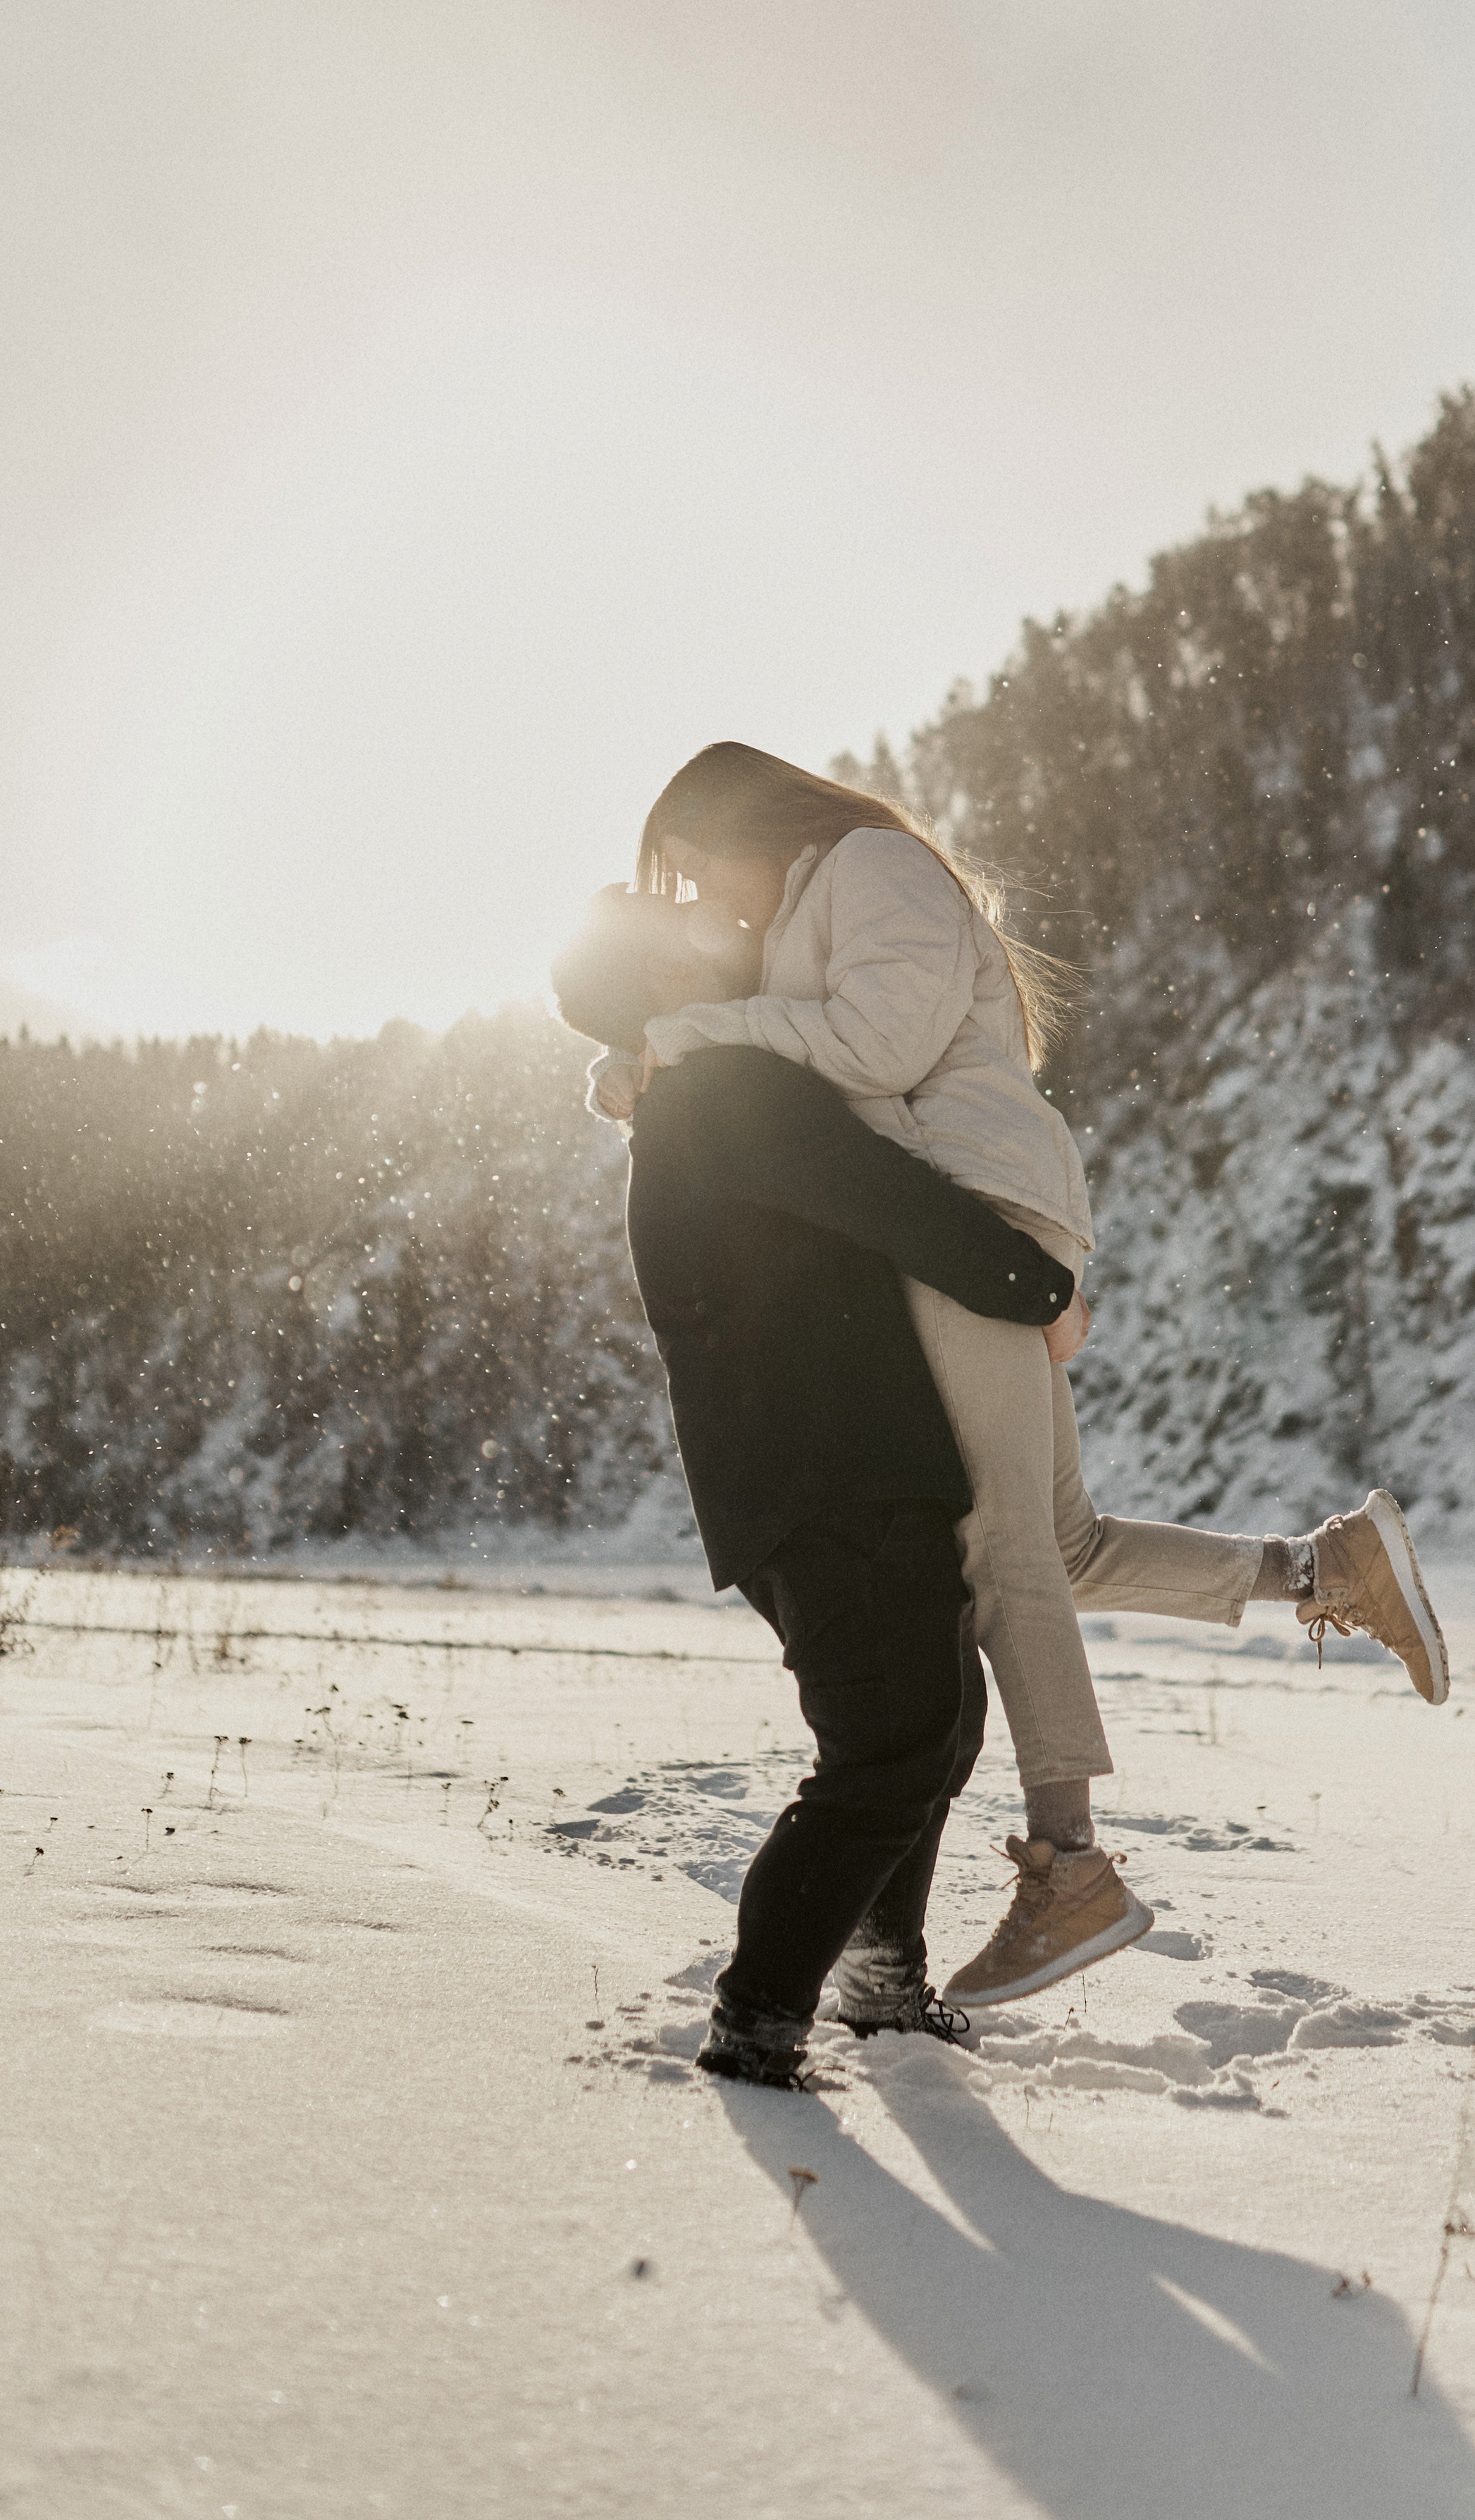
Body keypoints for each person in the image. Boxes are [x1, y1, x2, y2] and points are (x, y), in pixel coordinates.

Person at [593, 743, 1451, 2009]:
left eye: (701, 866)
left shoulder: (870, 865)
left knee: (998, 1556)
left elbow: (871, 1050)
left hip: (967, 1211)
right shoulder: (822, 897)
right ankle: (1326, 1571)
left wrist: (697, 1033)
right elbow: (774, 1068)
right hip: (969, 1210)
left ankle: (1071, 1867)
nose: (710, 901)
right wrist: (650, 1058)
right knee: (1064, 1541)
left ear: (749, 819)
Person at [549, 886, 1156, 2087]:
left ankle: (880, 1981)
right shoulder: (729, 1087)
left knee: (932, 1723)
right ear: (659, 983)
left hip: (836, 1466)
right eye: (665, 917)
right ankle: (760, 2013)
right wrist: (1039, 1289)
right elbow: (892, 1203)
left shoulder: (700, 1090)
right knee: (891, 1736)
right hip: (830, 1470)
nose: (702, 915)